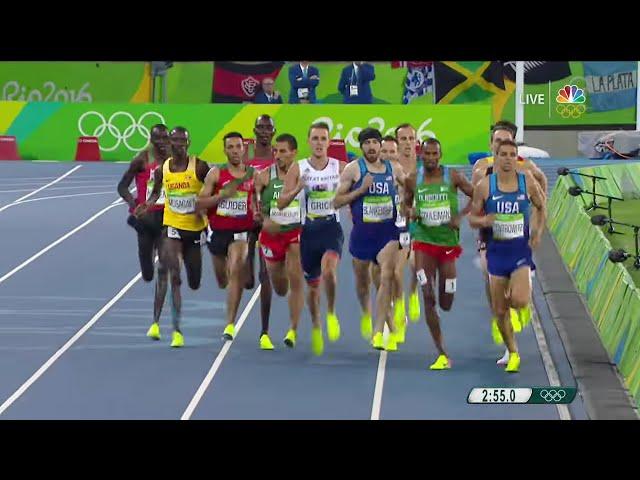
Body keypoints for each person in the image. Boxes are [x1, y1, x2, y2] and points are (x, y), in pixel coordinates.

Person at [471, 122, 548, 364]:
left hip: (517, 244)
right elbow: (476, 204)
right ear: (491, 145)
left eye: (507, 143)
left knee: (517, 298)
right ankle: (502, 325)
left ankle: (515, 303)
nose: (501, 148)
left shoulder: (525, 168)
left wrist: (536, 227)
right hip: (489, 240)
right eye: (497, 143)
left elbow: (541, 189)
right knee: (491, 282)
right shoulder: (481, 169)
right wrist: (484, 222)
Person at [404, 138, 474, 370]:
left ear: (440, 155)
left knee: (446, 301)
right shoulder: (414, 179)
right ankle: (442, 353)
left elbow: (477, 197)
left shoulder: (452, 177)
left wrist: (460, 216)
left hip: (447, 246)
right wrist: (411, 212)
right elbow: (404, 206)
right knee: (428, 296)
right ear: (421, 155)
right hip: (423, 243)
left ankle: (442, 303)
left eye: (435, 154)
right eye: (427, 154)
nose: (431, 158)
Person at [139, 126, 210, 347]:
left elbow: (214, 187)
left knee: (194, 281)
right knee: (170, 273)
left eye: (182, 141)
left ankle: (169, 325)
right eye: (174, 141)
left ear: (188, 144)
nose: (178, 145)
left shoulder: (199, 166)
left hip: (194, 230)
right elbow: (156, 192)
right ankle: (165, 327)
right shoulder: (163, 169)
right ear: (170, 143)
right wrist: (147, 205)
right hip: (171, 227)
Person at [334, 128, 404, 351]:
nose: (372, 147)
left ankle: (378, 331)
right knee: (363, 282)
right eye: (368, 143)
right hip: (363, 234)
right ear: (361, 146)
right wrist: (361, 190)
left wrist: (408, 199)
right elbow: (336, 202)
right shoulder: (353, 169)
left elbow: (409, 190)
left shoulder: (394, 168)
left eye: (375, 142)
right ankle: (370, 313)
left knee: (386, 277)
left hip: (388, 233)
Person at [278, 122, 344, 356]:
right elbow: (281, 202)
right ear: (309, 142)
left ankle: (332, 313)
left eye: (323, 138)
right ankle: (316, 325)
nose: (318, 143)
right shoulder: (299, 168)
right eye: (314, 138)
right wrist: (298, 188)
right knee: (313, 288)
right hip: (308, 232)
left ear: (329, 142)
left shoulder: (340, 166)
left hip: (331, 228)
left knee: (329, 271)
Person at [196, 132, 258, 342]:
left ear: (244, 148)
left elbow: (261, 202)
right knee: (223, 280)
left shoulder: (253, 175)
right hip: (217, 233)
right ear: (225, 151)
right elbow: (199, 204)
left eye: (238, 146)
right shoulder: (216, 174)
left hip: (241, 233)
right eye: (230, 147)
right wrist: (221, 195)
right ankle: (241, 273)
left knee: (236, 270)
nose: (234, 150)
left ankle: (230, 324)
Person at [117, 124, 171, 340]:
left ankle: (155, 322)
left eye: (164, 138)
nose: (160, 142)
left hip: (167, 220)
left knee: (164, 268)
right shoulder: (141, 160)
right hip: (145, 220)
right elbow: (121, 186)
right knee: (148, 273)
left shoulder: (175, 162)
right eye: (156, 138)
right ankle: (148, 268)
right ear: (150, 139)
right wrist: (133, 203)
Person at [254, 133, 305, 348]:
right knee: (280, 287)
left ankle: (292, 330)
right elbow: (255, 209)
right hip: (271, 235)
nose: (278, 155)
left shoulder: (304, 174)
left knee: (296, 279)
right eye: (276, 151)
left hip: (295, 232)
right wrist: (263, 219)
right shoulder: (264, 176)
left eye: (283, 151)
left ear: (294, 153)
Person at [369, 135, 409, 343]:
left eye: (393, 152)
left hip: (400, 229)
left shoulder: (402, 174)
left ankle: (399, 310)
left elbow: (414, 194)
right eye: (385, 151)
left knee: (394, 272)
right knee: (376, 276)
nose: (389, 155)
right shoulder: (373, 174)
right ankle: (390, 319)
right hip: (376, 230)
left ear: (398, 153)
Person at [244, 115, 277, 347]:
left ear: (273, 132)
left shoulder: (279, 157)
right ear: (254, 130)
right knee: (246, 279)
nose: (264, 131)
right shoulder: (244, 156)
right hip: (245, 223)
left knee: (265, 277)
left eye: (268, 128)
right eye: (261, 127)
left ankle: (264, 332)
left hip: (269, 222)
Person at [395, 124, 421, 324]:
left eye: (410, 138)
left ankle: (412, 292)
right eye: (403, 139)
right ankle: (400, 302)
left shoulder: (424, 166)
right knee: (396, 269)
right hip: (397, 221)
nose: (407, 143)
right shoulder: (391, 167)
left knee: (415, 263)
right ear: (397, 143)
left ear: (416, 142)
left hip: (419, 221)